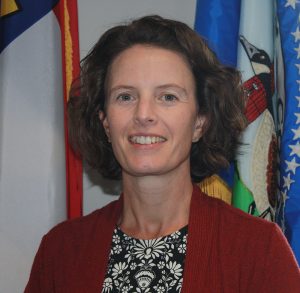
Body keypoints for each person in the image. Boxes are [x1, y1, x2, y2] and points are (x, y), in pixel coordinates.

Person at [25, 15, 300, 292]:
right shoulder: (60, 252)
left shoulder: (259, 250)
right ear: (105, 122)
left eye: (168, 97)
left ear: (200, 122)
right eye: (125, 96)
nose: (143, 114)